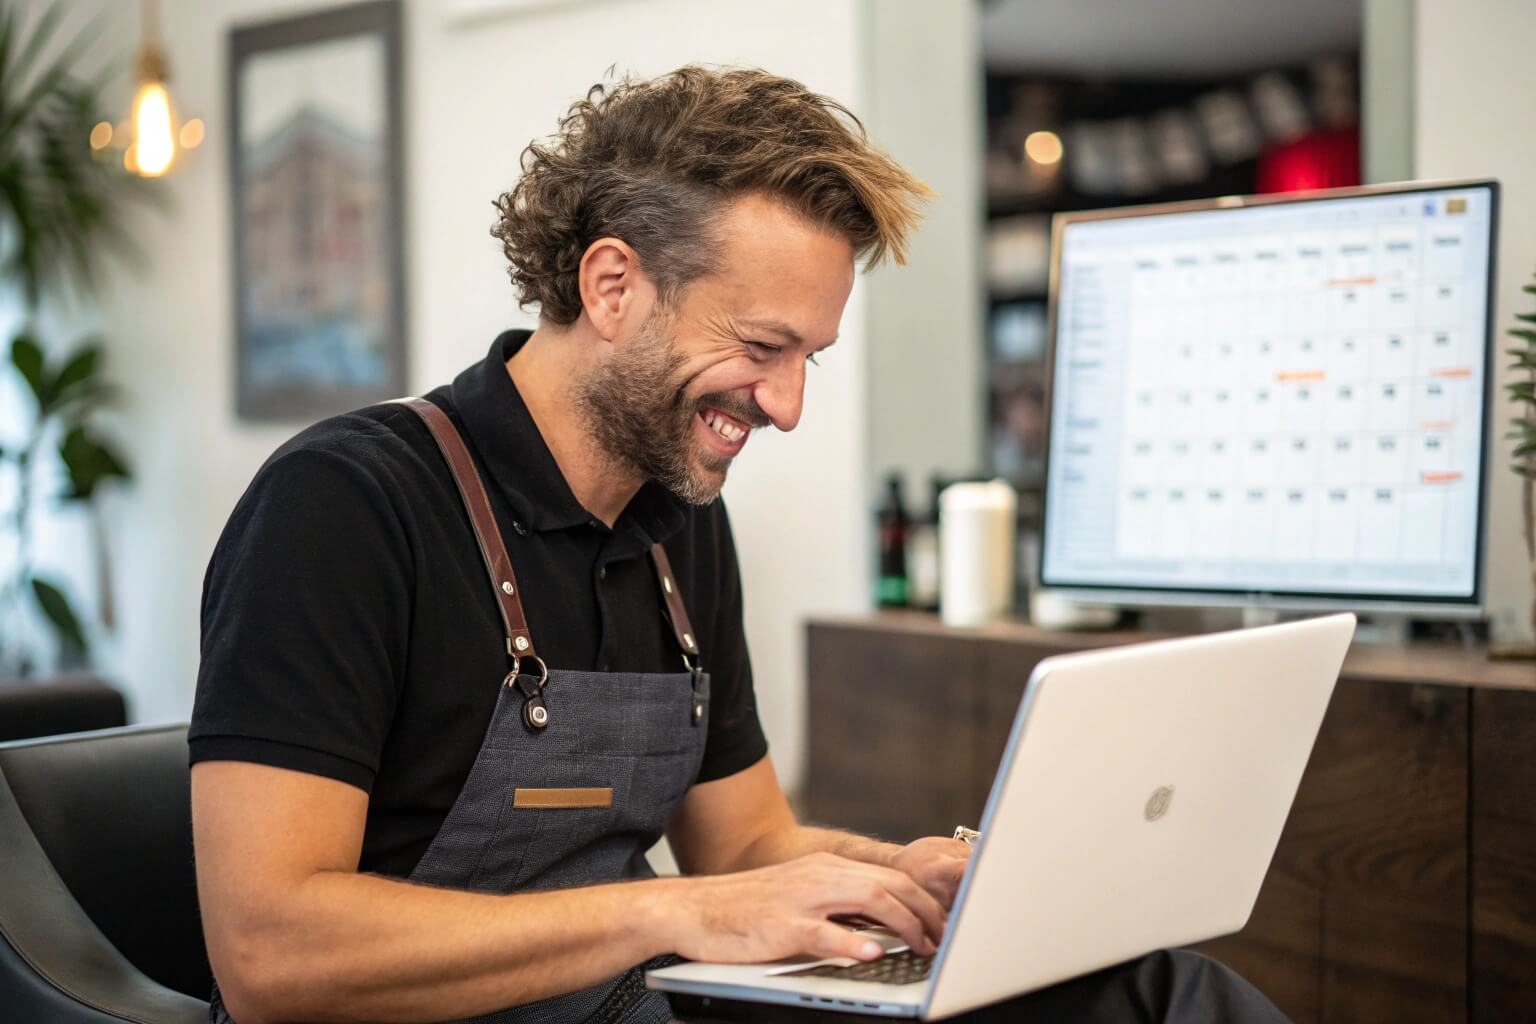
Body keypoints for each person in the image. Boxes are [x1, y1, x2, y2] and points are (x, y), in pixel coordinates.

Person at [190, 65, 1286, 1024]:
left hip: (632, 997)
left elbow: (746, 845)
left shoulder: (681, 528)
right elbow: (271, 955)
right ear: (612, 285)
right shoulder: (347, 505)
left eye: (810, 353)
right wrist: (684, 910)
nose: (789, 404)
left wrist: (897, 878)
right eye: (763, 345)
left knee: (1149, 992)